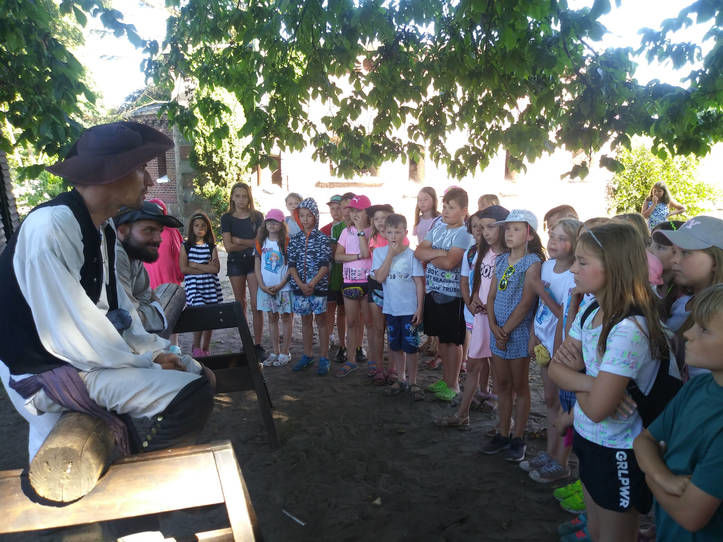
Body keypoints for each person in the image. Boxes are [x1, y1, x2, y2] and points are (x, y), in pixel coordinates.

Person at [0, 121, 213, 461]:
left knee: (200, 374)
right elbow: (69, 332)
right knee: (192, 393)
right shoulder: (52, 226)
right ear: (112, 174)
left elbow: (117, 311)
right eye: (141, 169)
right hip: (44, 370)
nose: (148, 181)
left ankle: (139, 475)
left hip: (76, 358)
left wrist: (154, 353)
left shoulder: (102, 229)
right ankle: (144, 480)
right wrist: (146, 363)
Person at [549, 222, 669, 542]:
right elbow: (555, 369)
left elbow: (598, 409)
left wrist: (580, 377)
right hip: (587, 438)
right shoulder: (591, 308)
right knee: (596, 529)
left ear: (613, 267)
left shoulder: (630, 328)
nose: (573, 268)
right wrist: (594, 383)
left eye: (582, 262)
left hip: (619, 450)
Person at [633, 284, 723, 542]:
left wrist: (651, 477)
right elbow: (643, 440)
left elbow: (690, 516)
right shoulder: (696, 387)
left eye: (704, 329)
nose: (688, 333)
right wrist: (663, 477)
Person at [482, 209, 558, 462]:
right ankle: (503, 432)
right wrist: (493, 326)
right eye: (507, 228)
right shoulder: (501, 259)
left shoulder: (532, 262)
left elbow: (526, 303)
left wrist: (505, 330)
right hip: (498, 332)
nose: (509, 233)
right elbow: (491, 295)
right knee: (501, 384)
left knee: (520, 385)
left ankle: (518, 436)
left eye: (516, 229)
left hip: (517, 333)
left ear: (529, 234)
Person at [435, 205, 508, 426]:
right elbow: (475, 280)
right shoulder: (479, 252)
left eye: (490, 227)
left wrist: (491, 307)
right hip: (481, 318)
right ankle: (462, 415)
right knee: (474, 365)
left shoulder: (510, 257)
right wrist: (473, 298)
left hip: (501, 322)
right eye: (482, 227)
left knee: (501, 373)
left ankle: (505, 425)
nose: (485, 232)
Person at [524, 217, 581, 483]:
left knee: (564, 403)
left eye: (562, 238)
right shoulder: (546, 267)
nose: (554, 242)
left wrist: (540, 290)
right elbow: (538, 308)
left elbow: (564, 314)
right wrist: (533, 336)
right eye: (552, 236)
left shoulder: (575, 276)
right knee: (549, 400)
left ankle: (562, 460)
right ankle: (550, 453)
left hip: (564, 349)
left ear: (575, 243)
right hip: (543, 343)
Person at [414, 187, 474, 402]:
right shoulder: (438, 226)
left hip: (453, 295)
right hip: (434, 290)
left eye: (452, 207)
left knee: (453, 341)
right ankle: (445, 379)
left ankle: (454, 384)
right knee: (441, 338)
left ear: (464, 210)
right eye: (445, 206)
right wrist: (440, 253)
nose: (446, 211)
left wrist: (431, 256)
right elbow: (419, 251)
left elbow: (450, 263)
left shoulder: (465, 233)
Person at [653, 215, 723, 378]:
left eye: (685, 253)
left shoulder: (718, 314)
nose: (674, 259)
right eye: (674, 252)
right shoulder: (680, 301)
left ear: (715, 261)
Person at [372, 214, 425, 398]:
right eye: (390, 232)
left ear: (405, 232)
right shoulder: (379, 253)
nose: (393, 236)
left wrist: (420, 308)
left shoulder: (412, 255)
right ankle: (400, 378)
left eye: (397, 232)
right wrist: (390, 255)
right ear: (384, 233)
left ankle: (413, 381)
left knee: (411, 346)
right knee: (395, 345)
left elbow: (419, 283)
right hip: (391, 308)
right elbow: (380, 277)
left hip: (409, 309)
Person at [114, 199, 185, 334]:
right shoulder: (116, 255)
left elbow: (147, 297)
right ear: (122, 231)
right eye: (149, 230)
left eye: (160, 231)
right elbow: (131, 319)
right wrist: (154, 313)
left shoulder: (134, 254)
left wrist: (148, 311)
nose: (159, 239)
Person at [287, 198, 332, 374]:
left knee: (321, 321)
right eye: (302, 216)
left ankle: (324, 357)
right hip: (300, 289)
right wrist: (301, 284)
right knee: (305, 320)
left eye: (309, 215)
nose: (305, 219)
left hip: (318, 288)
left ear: (315, 216)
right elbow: (291, 265)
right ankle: (307, 355)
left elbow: (325, 266)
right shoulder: (295, 239)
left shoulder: (323, 239)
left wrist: (312, 283)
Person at [221, 182, 266, 358]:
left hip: (254, 262)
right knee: (240, 304)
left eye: (244, 196)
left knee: (256, 304)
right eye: (238, 196)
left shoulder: (257, 216)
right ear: (232, 197)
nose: (241, 199)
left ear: (249, 198)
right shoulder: (227, 218)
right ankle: (246, 342)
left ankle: (258, 344)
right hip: (235, 263)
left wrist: (239, 241)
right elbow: (228, 247)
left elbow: (260, 243)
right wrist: (249, 243)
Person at [335, 194, 373, 377]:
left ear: (367, 212)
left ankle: (373, 361)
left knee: (369, 323)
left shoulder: (373, 231)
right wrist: (356, 257)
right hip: (350, 281)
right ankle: (351, 360)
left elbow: (367, 253)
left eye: (359, 210)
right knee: (351, 322)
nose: (355, 214)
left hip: (368, 282)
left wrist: (359, 230)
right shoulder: (345, 232)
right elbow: (338, 256)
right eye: (352, 210)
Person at [179, 211, 222, 358]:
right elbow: (184, 269)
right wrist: (206, 267)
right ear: (191, 228)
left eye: (203, 225)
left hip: (210, 287)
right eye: (196, 225)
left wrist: (195, 265)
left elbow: (215, 269)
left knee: (210, 317)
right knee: (199, 313)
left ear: (208, 228)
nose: (200, 228)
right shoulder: (186, 246)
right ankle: (196, 346)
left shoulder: (211, 247)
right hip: (194, 287)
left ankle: (205, 347)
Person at [254, 209, 293, 367]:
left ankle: (285, 352)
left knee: (286, 318)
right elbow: (257, 265)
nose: (271, 224)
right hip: (266, 288)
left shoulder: (286, 242)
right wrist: (262, 285)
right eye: (269, 221)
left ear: (281, 224)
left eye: (275, 221)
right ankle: (275, 351)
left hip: (283, 288)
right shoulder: (261, 242)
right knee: (272, 318)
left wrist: (281, 284)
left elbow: (291, 267)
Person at [363, 203, 396, 382]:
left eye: (384, 218)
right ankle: (378, 367)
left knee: (391, 328)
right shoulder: (373, 238)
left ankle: (392, 368)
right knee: (378, 328)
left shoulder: (399, 238)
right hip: (376, 283)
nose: (380, 222)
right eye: (376, 219)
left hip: (395, 284)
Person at [321, 195, 347, 362]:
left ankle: (343, 342)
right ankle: (329, 336)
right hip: (330, 274)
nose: (335, 211)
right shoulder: (324, 229)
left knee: (343, 310)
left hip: (345, 273)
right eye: (332, 208)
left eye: (338, 208)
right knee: (329, 307)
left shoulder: (349, 228)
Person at [143, 198, 184, 290]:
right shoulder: (171, 231)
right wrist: (180, 274)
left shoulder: (142, 232)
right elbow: (178, 254)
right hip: (168, 279)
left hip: (151, 280)